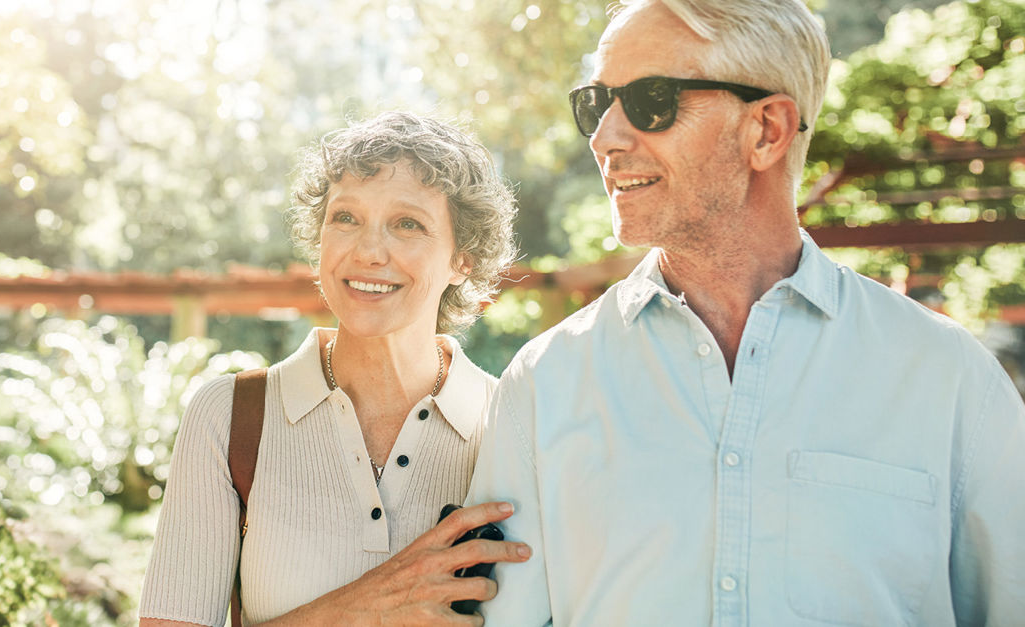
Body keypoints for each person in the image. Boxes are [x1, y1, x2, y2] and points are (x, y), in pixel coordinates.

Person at [465, 0, 1025, 624]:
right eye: (596, 104)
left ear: (767, 130)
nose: (605, 138)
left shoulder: (951, 381)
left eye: (652, 100)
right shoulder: (543, 385)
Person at [139, 111, 531, 627]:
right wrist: (365, 607)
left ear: (465, 258)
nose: (368, 251)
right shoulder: (230, 418)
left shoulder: (514, 424)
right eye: (345, 218)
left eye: (407, 224)